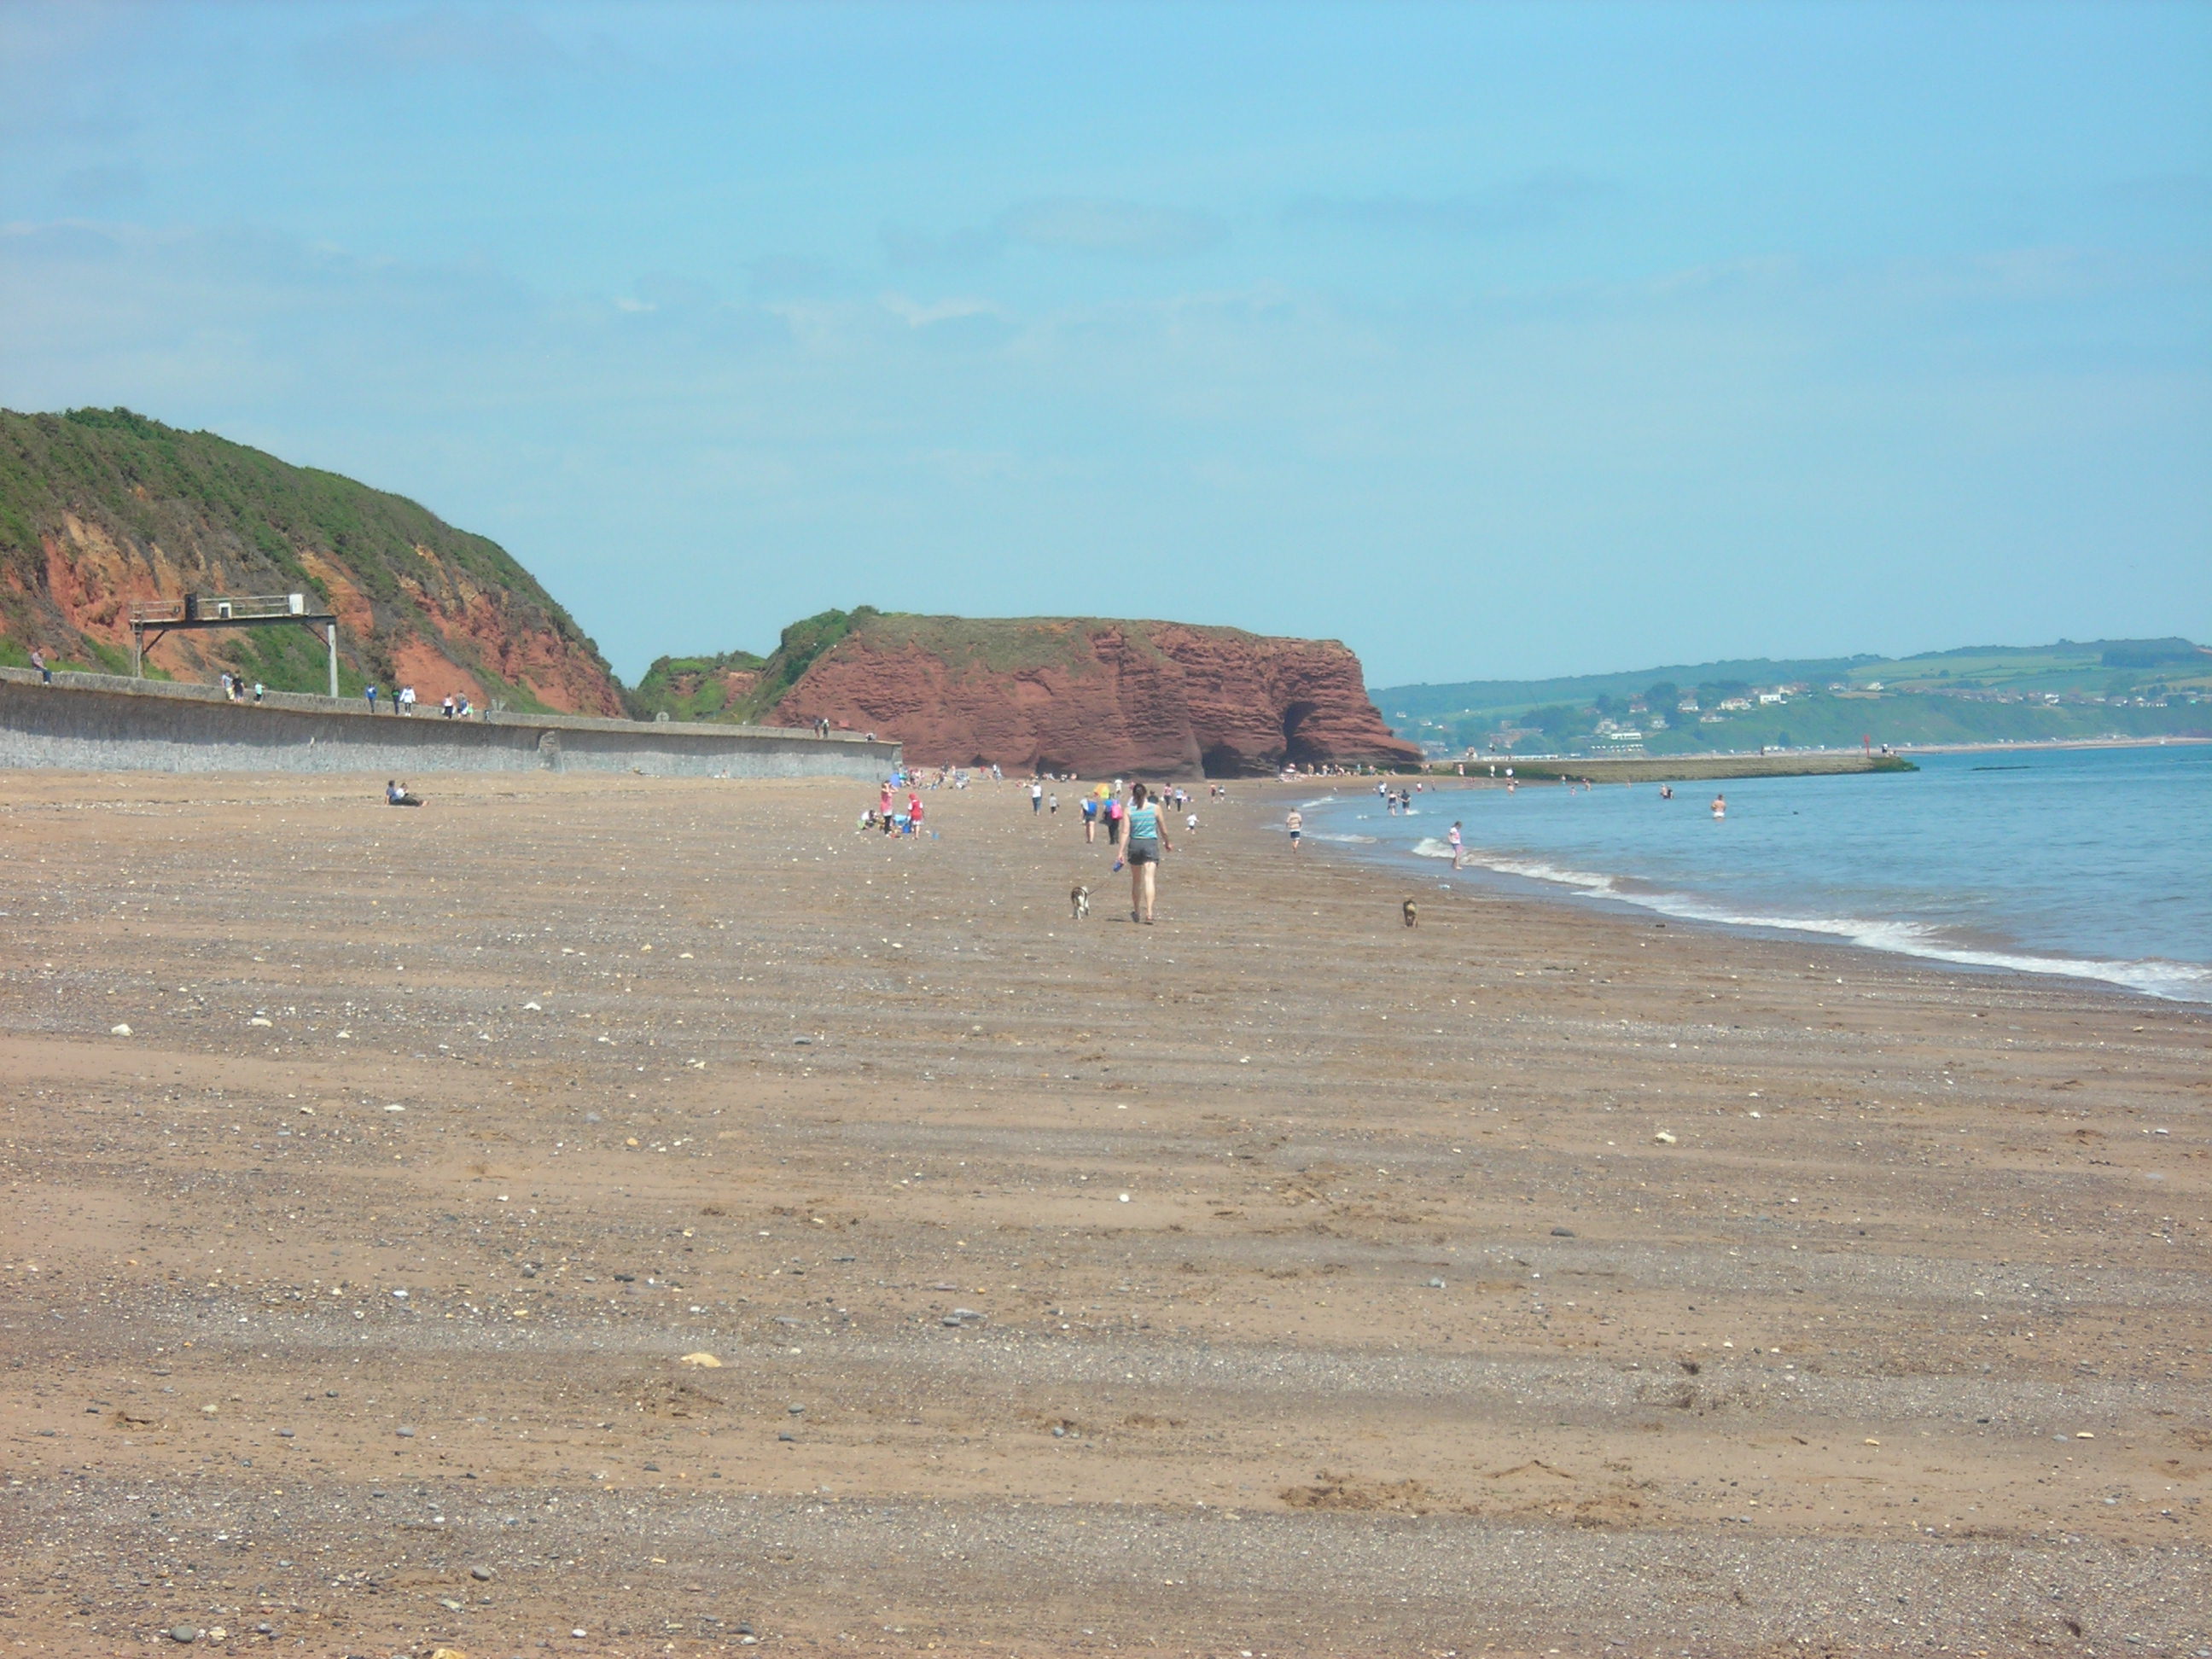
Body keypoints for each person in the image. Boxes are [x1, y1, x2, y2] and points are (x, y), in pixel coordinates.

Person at [1121, 782, 1172, 924]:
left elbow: (1125, 832)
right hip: (1150, 844)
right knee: (1149, 879)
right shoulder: (1155, 808)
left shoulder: (1129, 810)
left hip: (1135, 844)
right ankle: (1149, 912)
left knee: (1136, 881)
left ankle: (1137, 911)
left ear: (1133, 795)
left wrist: (1120, 852)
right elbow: (1163, 829)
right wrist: (1167, 842)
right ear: (1146, 794)